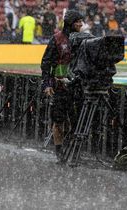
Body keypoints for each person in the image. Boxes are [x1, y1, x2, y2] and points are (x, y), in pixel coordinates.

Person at [40, 10, 84, 160]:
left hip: (77, 88)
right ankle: (59, 151)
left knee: (76, 122)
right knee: (58, 121)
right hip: (59, 88)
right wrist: (47, 84)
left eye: (81, 21)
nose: (81, 24)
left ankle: (69, 147)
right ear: (71, 23)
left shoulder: (83, 40)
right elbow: (45, 63)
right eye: (78, 21)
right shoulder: (57, 39)